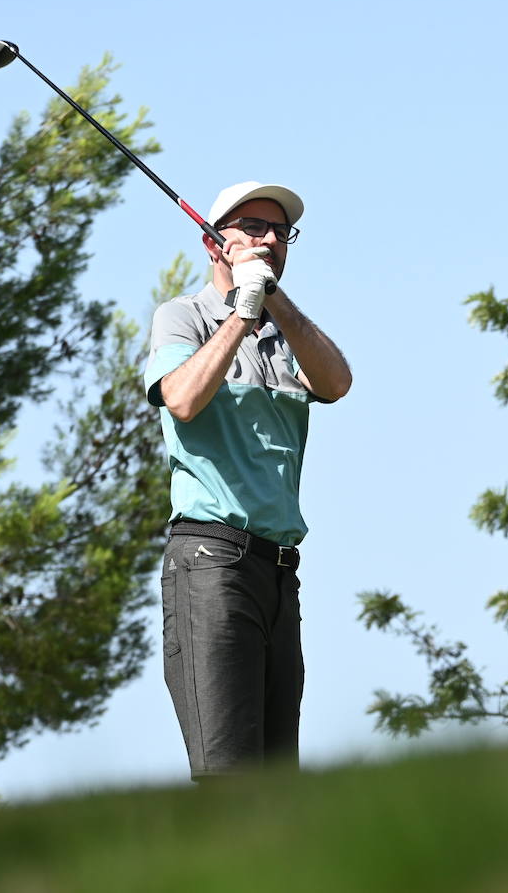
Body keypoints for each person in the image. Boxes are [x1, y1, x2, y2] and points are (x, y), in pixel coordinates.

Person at [143, 180, 352, 777]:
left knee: (277, 782)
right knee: (227, 775)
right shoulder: (182, 316)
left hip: (281, 575)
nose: (269, 239)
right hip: (212, 564)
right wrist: (239, 313)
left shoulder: (288, 334)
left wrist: (270, 302)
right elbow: (181, 399)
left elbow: (336, 382)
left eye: (279, 232)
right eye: (253, 227)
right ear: (216, 242)